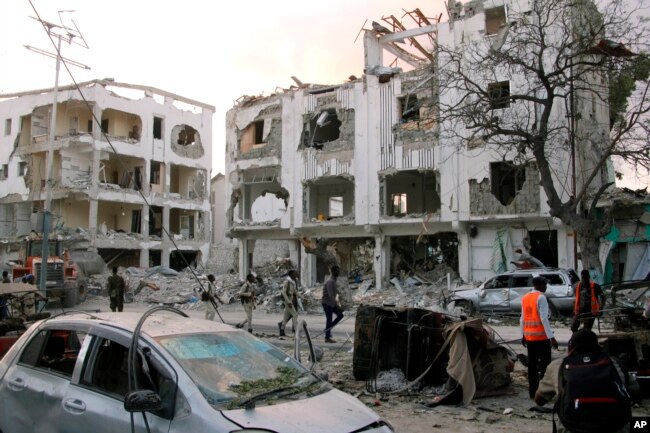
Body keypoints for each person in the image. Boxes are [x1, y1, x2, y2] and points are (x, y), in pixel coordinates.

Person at [535, 329, 632, 433]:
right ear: (597, 346)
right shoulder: (615, 364)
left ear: (571, 346)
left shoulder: (558, 365)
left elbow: (540, 400)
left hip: (571, 427)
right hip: (614, 426)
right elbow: (635, 391)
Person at [521, 276, 559, 398]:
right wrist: (551, 337)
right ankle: (544, 392)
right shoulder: (541, 298)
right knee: (545, 366)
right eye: (545, 284)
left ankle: (533, 392)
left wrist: (522, 335)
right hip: (542, 339)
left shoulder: (526, 297)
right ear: (540, 285)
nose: (546, 286)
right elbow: (544, 318)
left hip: (530, 338)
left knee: (532, 367)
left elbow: (522, 318)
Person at [322, 265, 344, 343]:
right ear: (332, 271)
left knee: (340, 315)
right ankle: (327, 337)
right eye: (336, 271)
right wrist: (338, 305)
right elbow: (331, 295)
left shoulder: (334, 280)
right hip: (327, 303)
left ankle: (328, 329)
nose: (338, 272)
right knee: (329, 319)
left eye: (338, 271)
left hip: (331, 303)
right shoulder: (330, 281)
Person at [278, 270, 300, 337]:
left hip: (292, 300)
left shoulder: (293, 282)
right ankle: (296, 331)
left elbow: (295, 292)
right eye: (294, 274)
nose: (296, 275)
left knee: (286, 316)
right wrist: (288, 302)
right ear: (291, 275)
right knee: (295, 314)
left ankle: (282, 331)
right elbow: (283, 292)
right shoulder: (286, 281)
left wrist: (303, 298)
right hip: (288, 301)